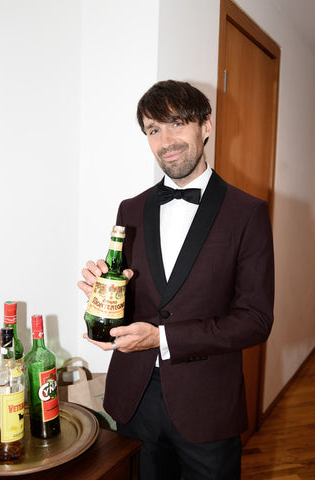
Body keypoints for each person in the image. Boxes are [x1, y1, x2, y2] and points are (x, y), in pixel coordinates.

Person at [78, 80, 274, 480]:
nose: (166, 140)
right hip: (134, 400)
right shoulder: (129, 208)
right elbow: (135, 297)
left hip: (208, 406)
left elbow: (255, 319)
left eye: (177, 123)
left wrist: (162, 337)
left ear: (206, 125)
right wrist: (105, 303)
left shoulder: (248, 212)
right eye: (153, 129)